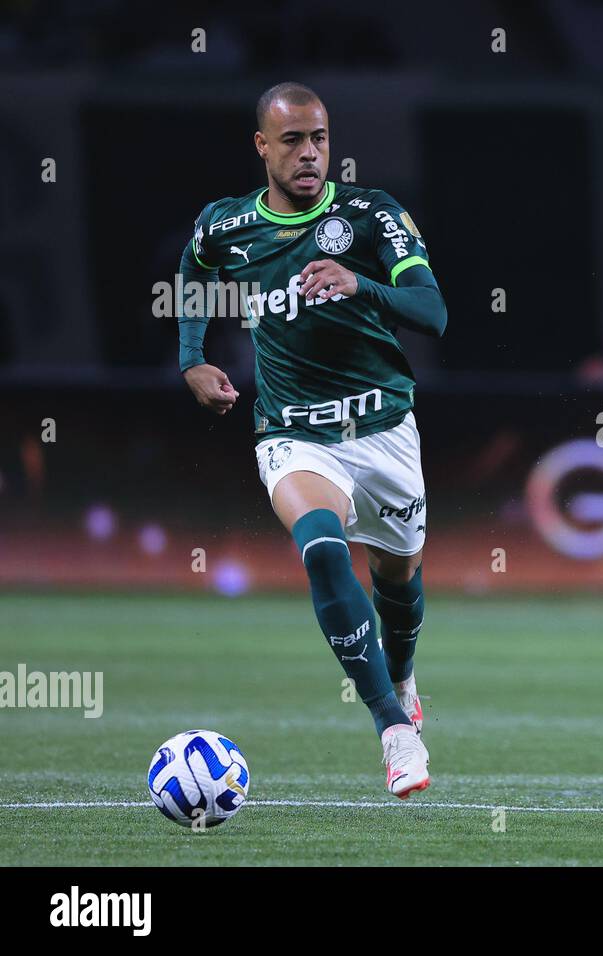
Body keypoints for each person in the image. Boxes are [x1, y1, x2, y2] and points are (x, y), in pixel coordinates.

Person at [177, 82, 447, 798]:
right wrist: (192, 357)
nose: (309, 153)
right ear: (262, 147)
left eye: (319, 138)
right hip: (294, 432)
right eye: (292, 140)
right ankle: (393, 727)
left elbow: (434, 312)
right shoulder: (227, 225)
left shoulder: (371, 214)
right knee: (323, 549)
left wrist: (361, 285)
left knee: (401, 585)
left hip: (385, 429)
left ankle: (405, 673)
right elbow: (194, 268)